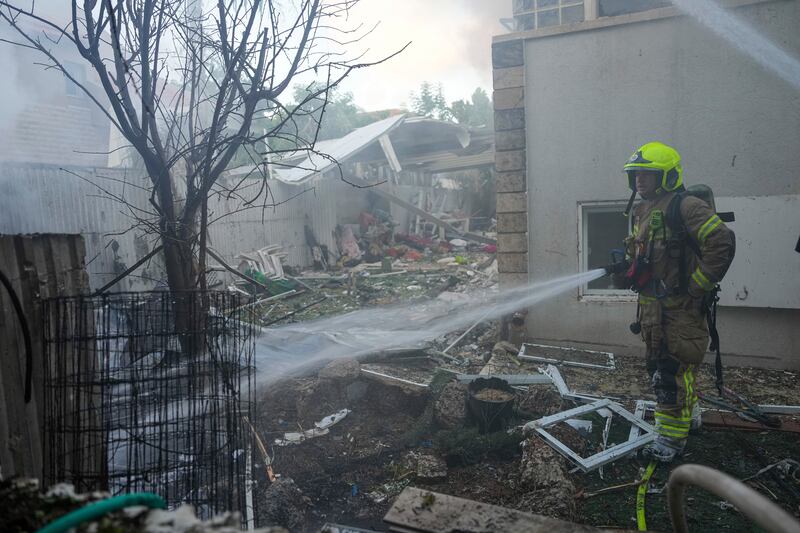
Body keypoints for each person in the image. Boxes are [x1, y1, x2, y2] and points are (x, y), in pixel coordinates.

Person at [615, 141, 735, 462]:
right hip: (653, 308)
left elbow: (721, 241)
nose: (639, 180)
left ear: (667, 175)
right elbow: (652, 256)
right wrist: (628, 269)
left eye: (647, 174)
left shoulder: (685, 206)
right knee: (669, 367)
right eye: (636, 174)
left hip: (679, 309)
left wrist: (698, 285)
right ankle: (690, 416)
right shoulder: (644, 209)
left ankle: (669, 441)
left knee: (670, 371)